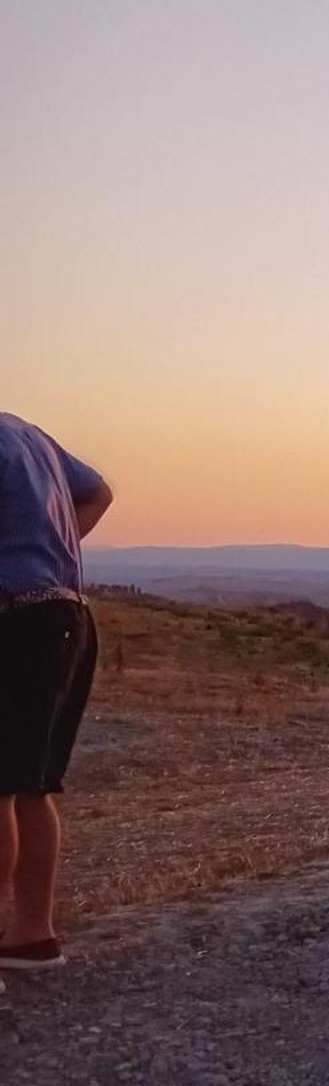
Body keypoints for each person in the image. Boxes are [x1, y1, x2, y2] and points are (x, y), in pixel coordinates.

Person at [0, 413, 113, 984]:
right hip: (65, 616)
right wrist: (47, 550)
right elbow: (99, 493)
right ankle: (31, 937)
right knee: (30, 784)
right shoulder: (24, 434)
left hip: (14, 621)